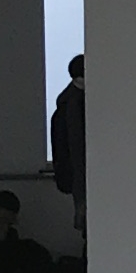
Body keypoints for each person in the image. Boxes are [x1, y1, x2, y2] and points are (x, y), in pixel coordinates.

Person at [47, 53, 86, 232]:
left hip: (77, 179)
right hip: (83, 179)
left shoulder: (67, 103)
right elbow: (77, 151)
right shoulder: (75, 106)